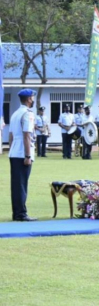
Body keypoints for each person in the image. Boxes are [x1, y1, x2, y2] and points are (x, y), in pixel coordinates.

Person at [8, 89, 37, 221]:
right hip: (22, 153)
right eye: (32, 97)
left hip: (14, 152)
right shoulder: (27, 114)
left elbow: (11, 136)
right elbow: (27, 135)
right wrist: (27, 156)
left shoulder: (15, 113)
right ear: (29, 99)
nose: (33, 99)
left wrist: (12, 149)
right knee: (21, 184)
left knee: (16, 185)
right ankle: (21, 214)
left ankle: (17, 212)